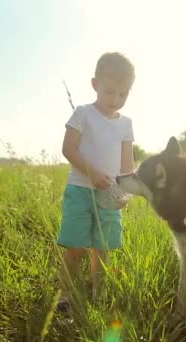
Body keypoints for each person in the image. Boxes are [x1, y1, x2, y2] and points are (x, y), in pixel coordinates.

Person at [57, 52, 136, 312]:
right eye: (110, 92)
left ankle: (97, 294)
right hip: (80, 190)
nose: (116, 100)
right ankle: (65, 294)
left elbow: (126, 164)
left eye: (123, 94)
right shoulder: (83, 114)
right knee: (76, 246)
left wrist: (125, 192)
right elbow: (69, 149)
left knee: (102, 248)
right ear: (95, 85)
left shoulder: (126, 124)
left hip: (109, 195)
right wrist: (92, 173)